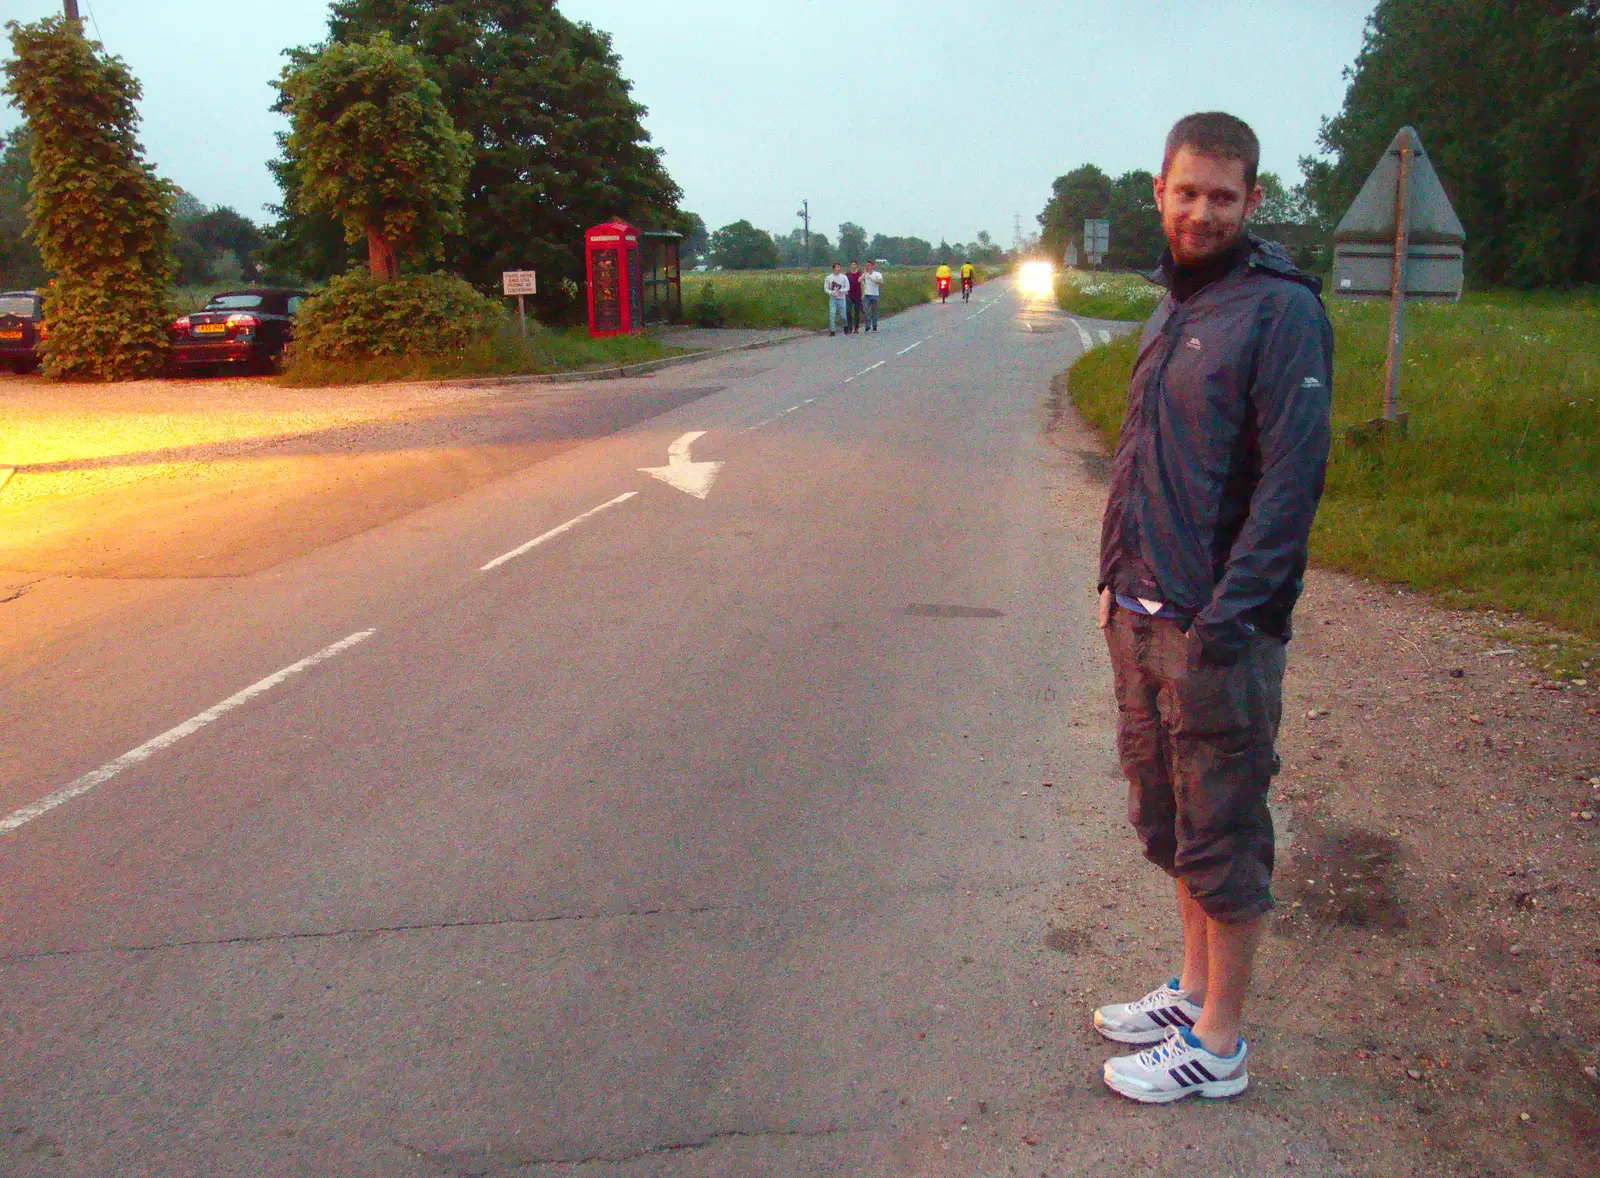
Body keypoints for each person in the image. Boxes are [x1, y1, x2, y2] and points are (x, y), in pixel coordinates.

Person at [1092, 110, 1333, 1105]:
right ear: (1159, 190)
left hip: (1214, 628)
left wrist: (1225, 623)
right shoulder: (1172, 305)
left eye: (1221, 196)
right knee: (1170, 819)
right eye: (1185, 192)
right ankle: (1190, 990)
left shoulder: (1278, 312)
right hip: (1140, 608)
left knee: (1224, 830)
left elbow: (1288, 486)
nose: (1200, 211)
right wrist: (1112, 575)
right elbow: (1142, 446)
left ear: (1250, 202)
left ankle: (1220, 1044)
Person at [823, 263, 849, 336]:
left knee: (843, 315)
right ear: (833, 268)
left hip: (841, 298)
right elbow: (825, 288)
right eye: (837, 267)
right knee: (832, 314)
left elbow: (847, 287)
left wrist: (841, 291)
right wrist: (831, 292)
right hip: (833, 298)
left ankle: (845, 326)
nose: (838, 269)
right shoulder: (829, 278)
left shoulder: (844, 277)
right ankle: (832, 330)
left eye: (839, 267)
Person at [861, 261, 884, 332]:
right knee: (866, 310)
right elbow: (860, 281)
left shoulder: (877, 274)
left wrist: (871, 279)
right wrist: (864, 273)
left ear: (872, 266)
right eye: (866, 266)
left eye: (869, 266)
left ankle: (874, 325)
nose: (867, 267)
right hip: (866, 295)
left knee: (874, 311)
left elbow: (881, 281)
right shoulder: (865, 274)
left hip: (875, 294)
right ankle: (867, 325)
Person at [846, 260, 865, 334]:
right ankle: (850, 327)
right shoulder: (847, 274)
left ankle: (856, 327)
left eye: (854, 264)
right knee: (848, 311)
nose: (853, 266)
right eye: (852, 264)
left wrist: (863, 294)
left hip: (857, 295)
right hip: (849, 295)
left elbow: (863, 285)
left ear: (857, 265)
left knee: (857, 312)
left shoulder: (860, 274)